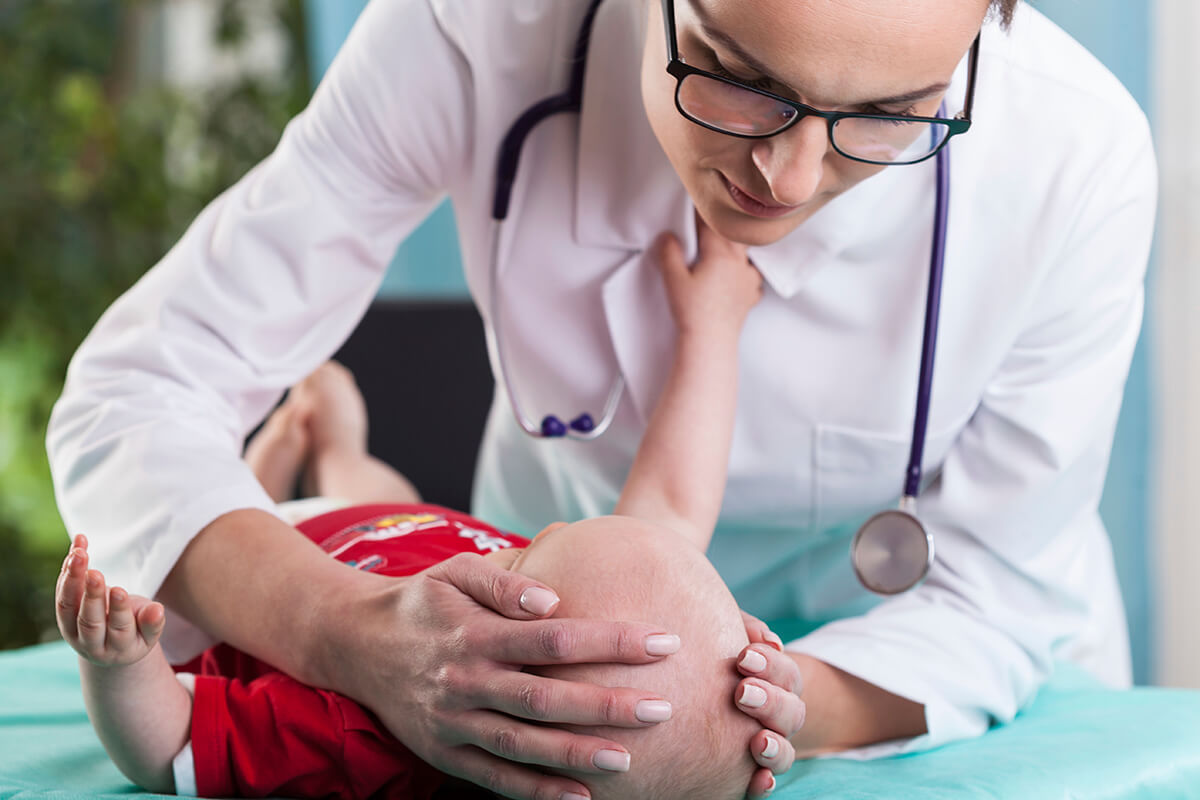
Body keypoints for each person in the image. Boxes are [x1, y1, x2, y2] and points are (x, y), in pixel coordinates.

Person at [46, 0, 1157, 798]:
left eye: (889, 114)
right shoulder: (477, 26)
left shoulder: (1079, 155)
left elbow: (995, 597)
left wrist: (739, 717)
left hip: (921, 677)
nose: (791, 179)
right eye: (737, 74)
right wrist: (347, 631)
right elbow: (136, 392)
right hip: (539, 603)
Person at [54, 237, 773, 799]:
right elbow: (674, 500)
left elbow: (170, 745)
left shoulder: (363, 735)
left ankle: (274, 460)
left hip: (255, 565)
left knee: (262, 520)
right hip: (394, 523)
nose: (539, 533)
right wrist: (711, 328)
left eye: (521, 564)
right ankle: (334, 447)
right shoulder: (583, 607)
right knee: (381, 490)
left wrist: (115, 665)